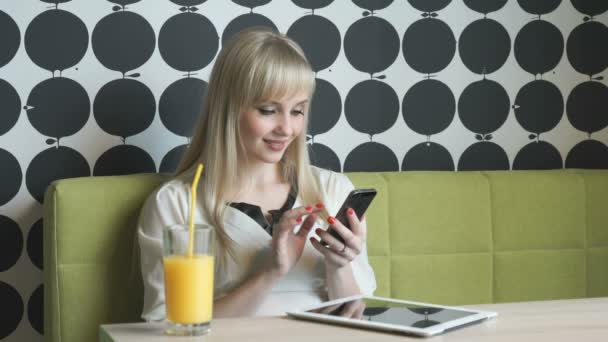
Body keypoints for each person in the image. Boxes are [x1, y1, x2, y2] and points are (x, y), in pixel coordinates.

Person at [137, 27, 376, 320]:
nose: (287, 129)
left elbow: (354, 313)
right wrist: (270, 273)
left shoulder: (333, 189)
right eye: (268, 110)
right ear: (228, 109)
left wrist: (339, 265)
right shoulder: (175, 204)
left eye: (298, 111)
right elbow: (169, 328)